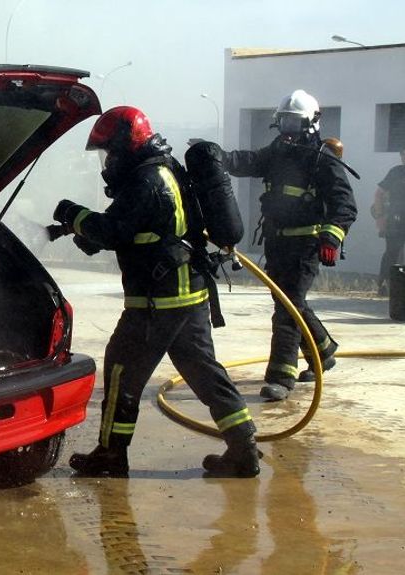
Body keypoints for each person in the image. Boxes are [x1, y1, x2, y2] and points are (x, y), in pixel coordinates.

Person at [52, 106, 259, 478]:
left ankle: (111, 455)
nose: (108, 161)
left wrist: (73, 214)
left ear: (125, 146)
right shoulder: (164, 170)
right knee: (203, 371)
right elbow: (140, 228)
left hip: (158, 299)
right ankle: (243, 446)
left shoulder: (146, 180)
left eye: (109, 152)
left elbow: (116, 230)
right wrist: (90, 235)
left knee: (120, 370)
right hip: (189, 294)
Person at [224, 90, 357, 401]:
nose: (287, 130)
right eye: (283, 122)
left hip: (306, 245)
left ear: (310, 124)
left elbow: (345, 205)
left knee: (287, 309)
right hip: (277, 243)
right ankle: (323, 353)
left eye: (294, 123)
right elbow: (250, 161)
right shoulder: (277, 153)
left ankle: (281, 377)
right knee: (292, 304)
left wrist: (331, 237)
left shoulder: (322, 160)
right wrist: (216, 155)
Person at [371, 144, 405, 295]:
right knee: (392, 253)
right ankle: (384, 285)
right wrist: (380, 217)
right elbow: (379, 194)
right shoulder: (396, 172)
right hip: (397, 220)